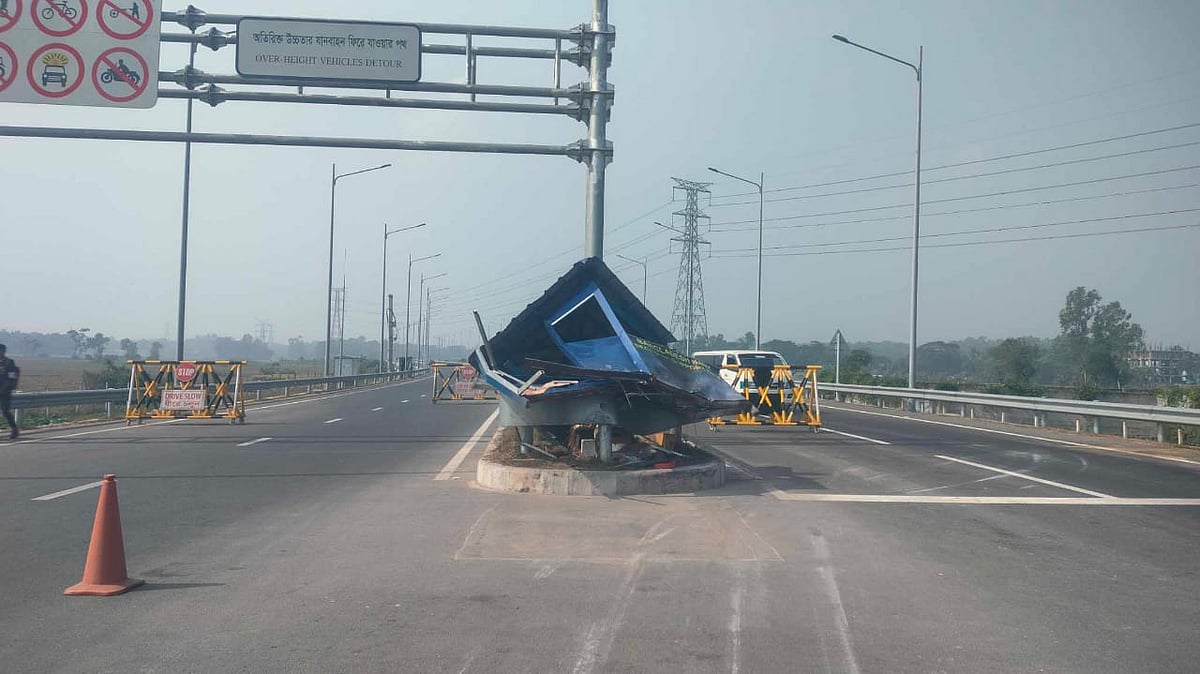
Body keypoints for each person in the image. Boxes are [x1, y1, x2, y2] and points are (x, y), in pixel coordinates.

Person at [0, 344, 19, 440]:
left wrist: (3, 389)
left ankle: (14, 429)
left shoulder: (9, 363)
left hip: (5, 392)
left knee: (5, 411)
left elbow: (11, 378)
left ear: (4, 351)